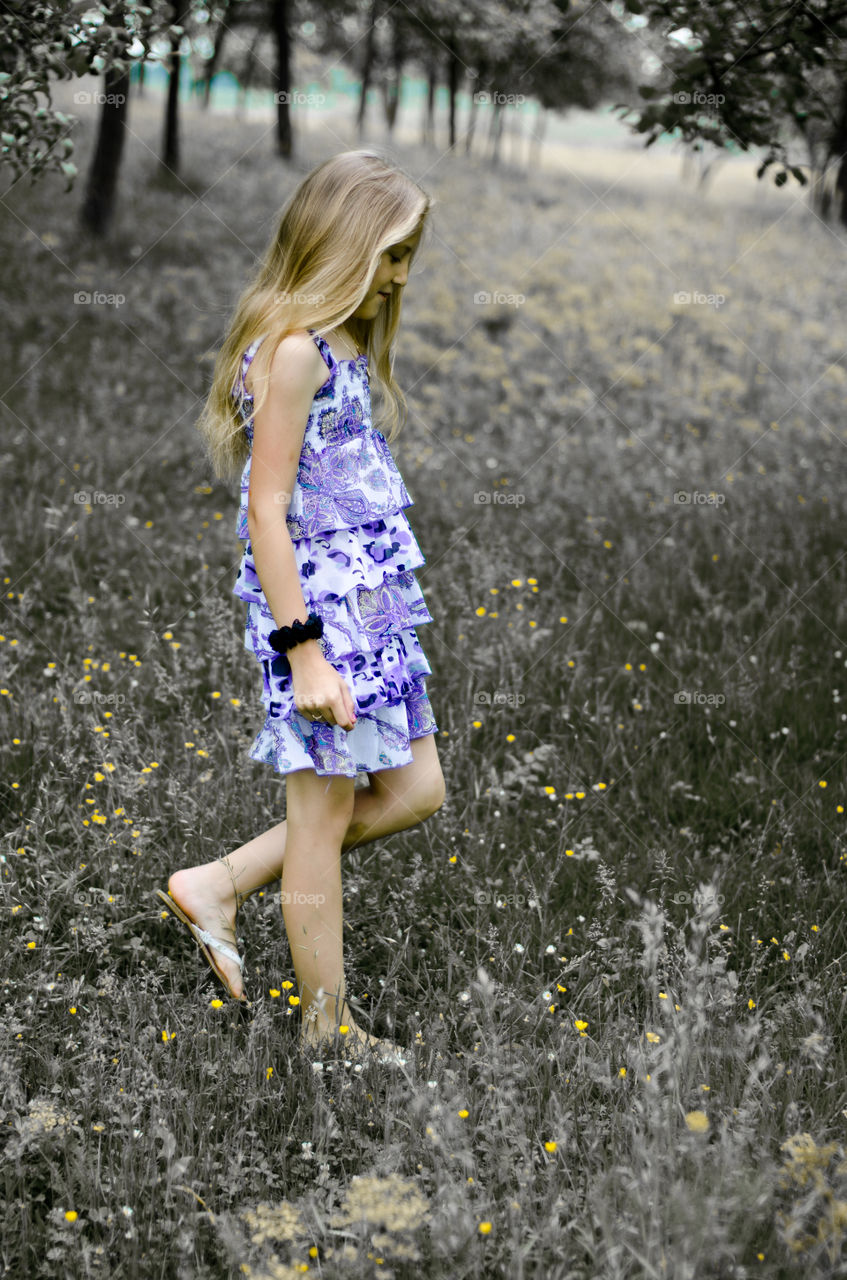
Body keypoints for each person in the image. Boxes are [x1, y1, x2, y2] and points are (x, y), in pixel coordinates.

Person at [155, 149, 445, 1068]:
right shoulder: (293, 352)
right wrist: (306, 652)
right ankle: (329, 1031)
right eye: (391, 256)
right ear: (343, 246)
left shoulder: (344, 340)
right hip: (323, 615)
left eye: (408, 257)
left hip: (374, 598)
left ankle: (218, 882)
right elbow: (265, 507)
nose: (402, 276)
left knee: (414, 790)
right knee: (320, 818)